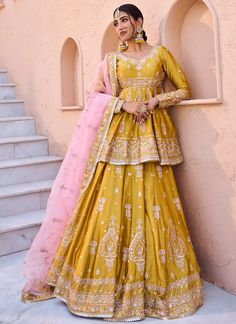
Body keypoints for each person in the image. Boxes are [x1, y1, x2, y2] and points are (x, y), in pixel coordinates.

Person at [21, 3, 203, 321]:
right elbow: (94, 96)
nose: (119, 26)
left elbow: (184, 89)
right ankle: (102, 284)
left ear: (138, 22)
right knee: (110, 207)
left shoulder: (161, 54)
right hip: (118, 139)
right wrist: (124, 104)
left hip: (153, 141)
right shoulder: (111, 61)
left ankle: (157, 286)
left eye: (124, 20)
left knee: (156, 206)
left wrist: (156, 100)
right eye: (115, 22)